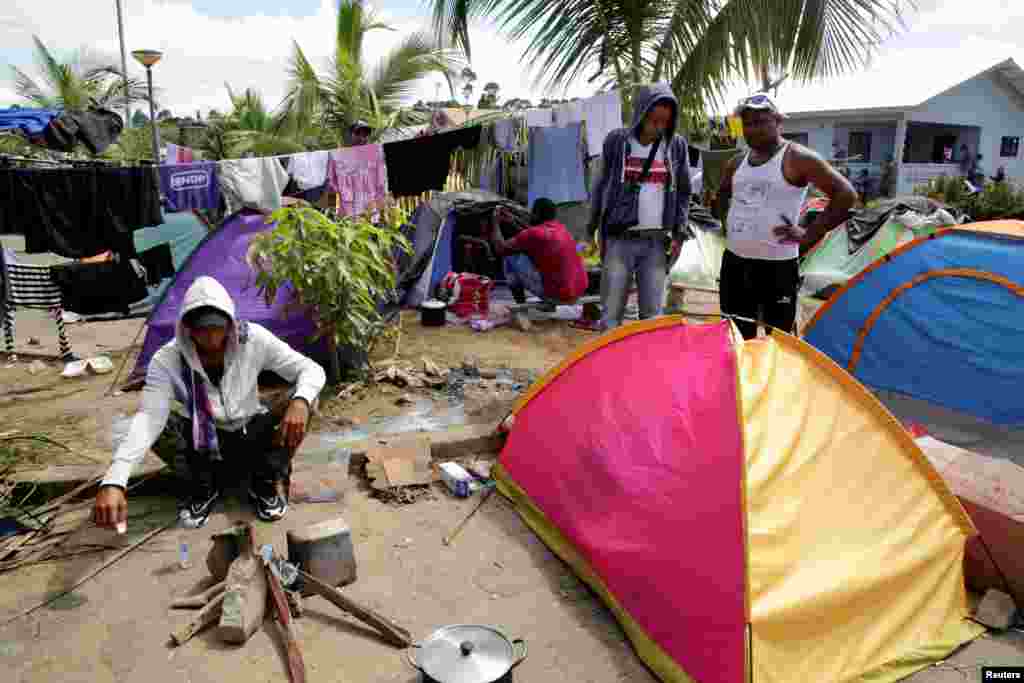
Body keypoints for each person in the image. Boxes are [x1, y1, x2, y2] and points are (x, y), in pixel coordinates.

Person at [93, 276, 327, 530]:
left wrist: (300, 401)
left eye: (217, 327)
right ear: (186, 328)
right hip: (203, 442)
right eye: (201, 329)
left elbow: (310, 369)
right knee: (152, 422)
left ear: (230, 324)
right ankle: (203, 486)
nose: (210, 337)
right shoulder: (167, 359)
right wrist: (115, 480)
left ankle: (266, 481)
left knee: (307, 398)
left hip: (251, 431)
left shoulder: (253, 339)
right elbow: (149, 419)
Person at [714, 93, 857, 340]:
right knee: (736, 337)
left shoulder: (797, 157)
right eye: (747, 123)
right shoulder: (736, 162)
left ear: (778, 122)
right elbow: (723, 194)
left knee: (779, 341)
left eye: (761, 121)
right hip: (735, 264)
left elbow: (846, 194)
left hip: (776, 268)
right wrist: (728, 224)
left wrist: (810, 233)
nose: (753, 129)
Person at [589, 83, 691, 330]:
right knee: (611, 315)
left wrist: (679, 232)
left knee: (652, 319)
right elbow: (600, 185)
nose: (658, 127)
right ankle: (610, 355)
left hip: (656, 243)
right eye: (653, 120)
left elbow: (684, 191)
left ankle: (646, 356)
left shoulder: (676, 145)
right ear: (640, 114)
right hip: (619, 240)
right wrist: (592, 227)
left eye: (664, 122)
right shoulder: (617, 141)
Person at [490, 198, 588, 307]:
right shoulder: (561, 228)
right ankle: (549, 300)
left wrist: (495, 222)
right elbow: (533, 234)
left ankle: (521, 306)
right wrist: (513, 221)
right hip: (578, 292)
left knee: (509, 257)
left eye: (532, 212)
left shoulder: (533, 234)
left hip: (559, 297)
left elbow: (500, 248)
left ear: (536, 214)